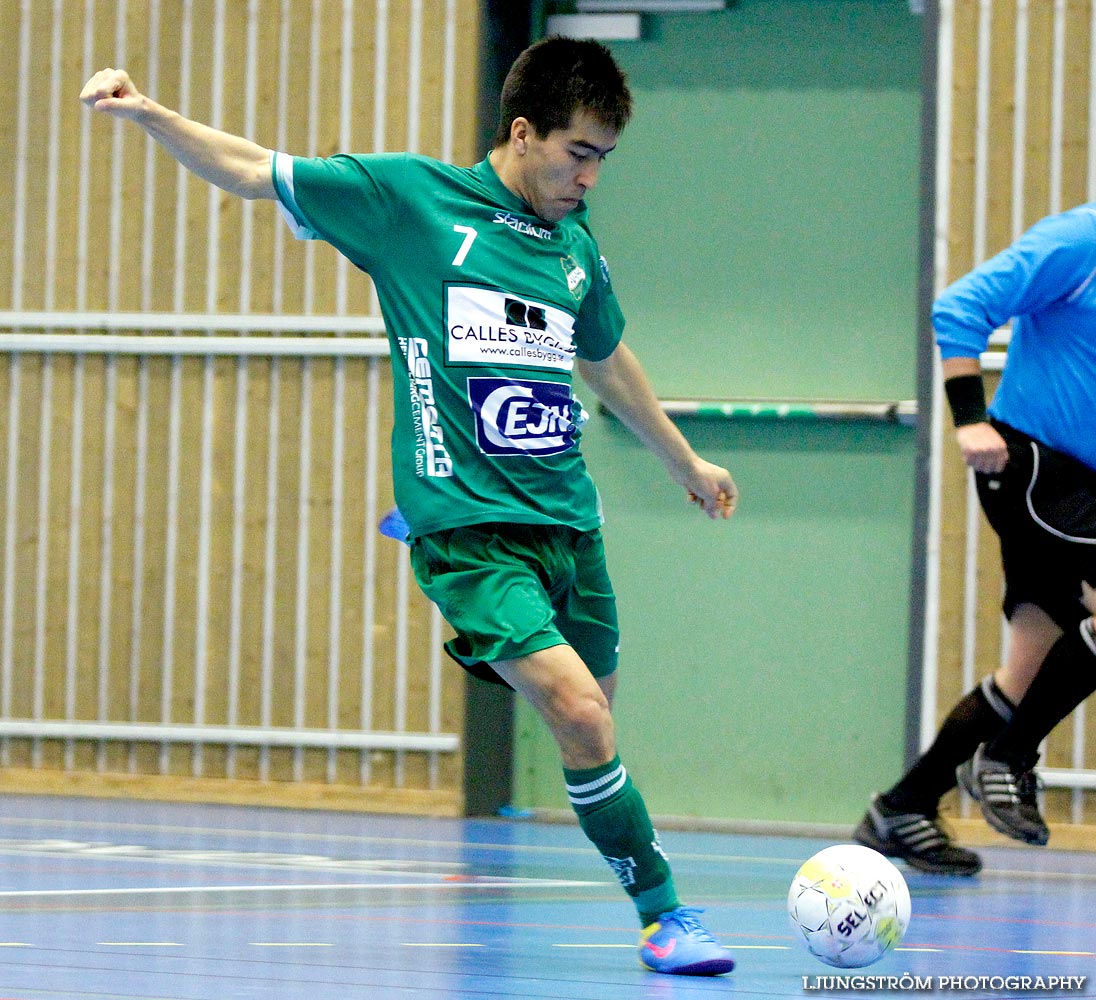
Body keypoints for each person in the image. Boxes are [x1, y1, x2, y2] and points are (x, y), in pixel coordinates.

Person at [80, 37, 739, 975]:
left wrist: (684, 460)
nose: (591, 176)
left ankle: (645, 887)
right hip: (469, 533)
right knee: (582, 714)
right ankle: (666, 914)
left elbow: (605, 359)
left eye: (603, 159)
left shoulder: (574, 250)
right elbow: (254, 171)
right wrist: (150, 113)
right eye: (577, 153)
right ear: (523, 132)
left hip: (568, 525)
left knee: (595, 727)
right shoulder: (411, 201)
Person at [855, 202, 1096, 873]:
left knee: (1028, 669)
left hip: (1085, 489)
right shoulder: (1080, 240)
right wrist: (968, 420)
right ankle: (1009, 756)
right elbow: (960, 306)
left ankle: (903, 806)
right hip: (1035, 469)